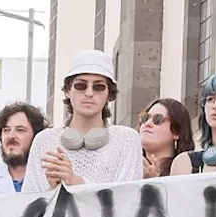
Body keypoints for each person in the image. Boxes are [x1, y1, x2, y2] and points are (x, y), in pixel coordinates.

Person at [23, 50, 141, 192]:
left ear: (109, 94)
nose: (89, 93)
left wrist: (76, 182)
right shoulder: (44, 140)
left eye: (98, 87)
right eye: (80, 85)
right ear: (67, 90)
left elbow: (128, 200)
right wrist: (53, 190)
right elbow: (31, 203)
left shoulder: (127, 139)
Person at [0, 102, 48, 194]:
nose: (11, 136)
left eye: (20, 130)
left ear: (36, 135)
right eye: (6, 130)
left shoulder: (48, 174)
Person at [138, 98, 194, 178]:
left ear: (176, 131)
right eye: (145, 118)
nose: (147, 123)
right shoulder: (128, 165)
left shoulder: (189, 169)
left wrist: (155, 179)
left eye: (158, 119)